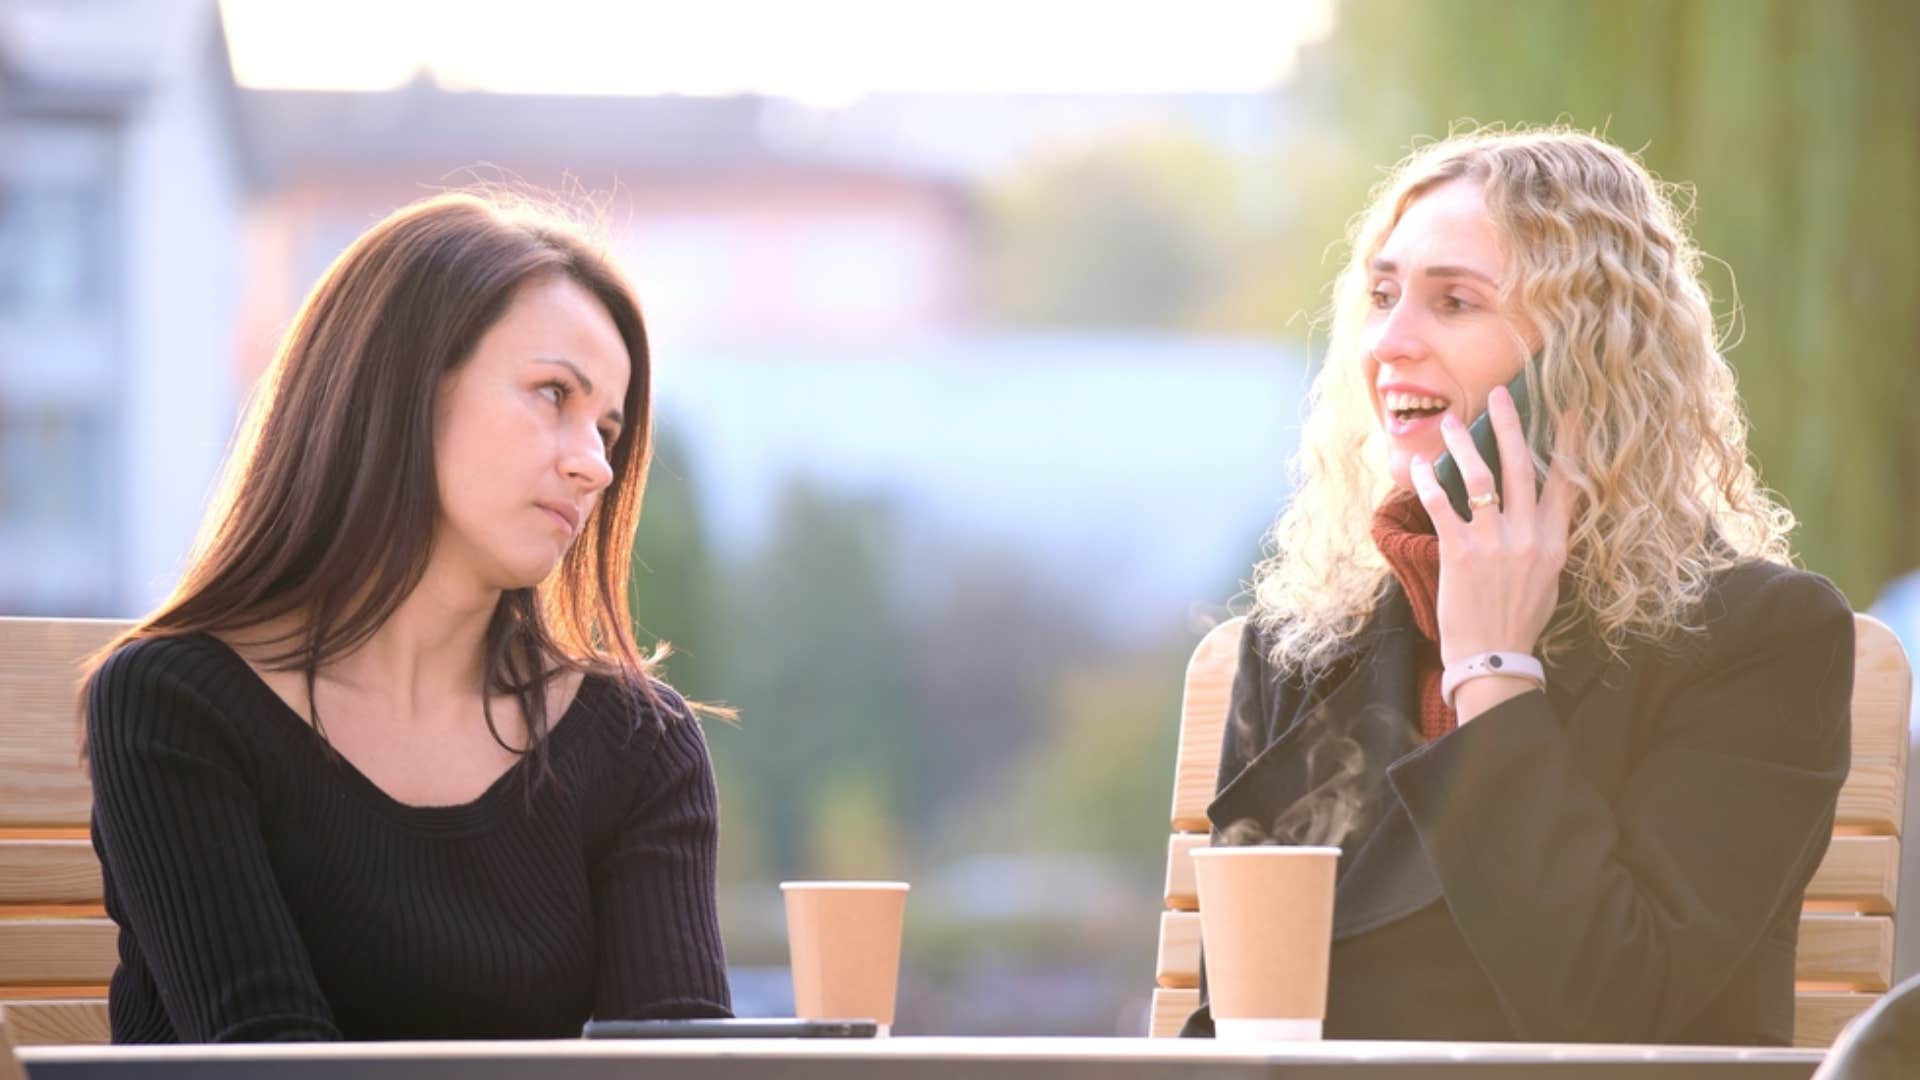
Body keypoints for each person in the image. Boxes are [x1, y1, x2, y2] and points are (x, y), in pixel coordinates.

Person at [1182, 128, 1853, 1044]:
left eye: (1453, 302)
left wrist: (1491, 669)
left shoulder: (1756, 637)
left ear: (1584, 357)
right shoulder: (1305, 643)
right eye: (1382, 297)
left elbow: (1618, 1007)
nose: (1390, 343)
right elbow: (1239, 1026)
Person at [83, 192, 732, 1042]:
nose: (595, 467)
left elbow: (685, 1066)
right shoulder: (174, 707)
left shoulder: (639, 743)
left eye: (608, 430)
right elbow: (265, 1063)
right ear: (400, 387)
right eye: (552, 395)